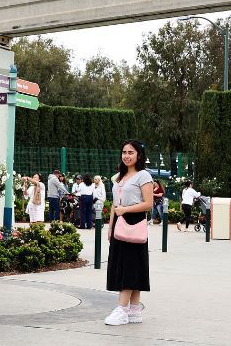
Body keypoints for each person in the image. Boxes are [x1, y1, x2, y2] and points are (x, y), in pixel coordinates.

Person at [105, 139, 153, 326]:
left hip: (134, 223)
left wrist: (125, 210)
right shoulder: (118, 178)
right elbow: (114, 205)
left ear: (139, 155)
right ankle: (134, 310)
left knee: (131, 267)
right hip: (119, 224)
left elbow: (148, 204)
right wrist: (110, 225)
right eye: (124, 152)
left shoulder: (143, 176)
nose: (126, 156)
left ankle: (122, 309)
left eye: (131, 152)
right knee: (125, 265)